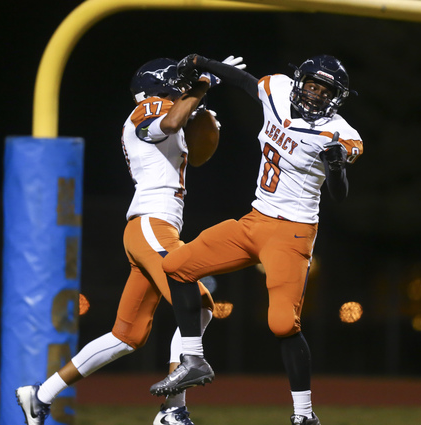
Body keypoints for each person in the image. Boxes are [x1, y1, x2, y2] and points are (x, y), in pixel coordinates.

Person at [15, 56, 244, 425]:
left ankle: (40, 396)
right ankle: (173, 411)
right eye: (181, 81)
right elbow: (169, 123)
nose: (186, 85)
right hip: (152, 224)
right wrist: (202, 88)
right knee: (198, 301)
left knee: (127, 335)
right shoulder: (152, 107)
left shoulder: (163, 106)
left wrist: (203, 102)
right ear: (163, 85)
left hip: (151, 228)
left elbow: (196, 152)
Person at [148, 54, 364, 425]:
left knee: (282, 324)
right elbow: (245, 80)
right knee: (176, 266)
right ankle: (194, 359)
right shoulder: (278, 90)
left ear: (335, 96)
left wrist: (336, 165)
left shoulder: (340, 133)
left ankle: (303, 415)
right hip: (254, 220)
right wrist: (203, 61)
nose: (314, 94)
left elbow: (340, 194)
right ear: (300, 82)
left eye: (324, 90)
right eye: (311, 84)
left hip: (292, 233)